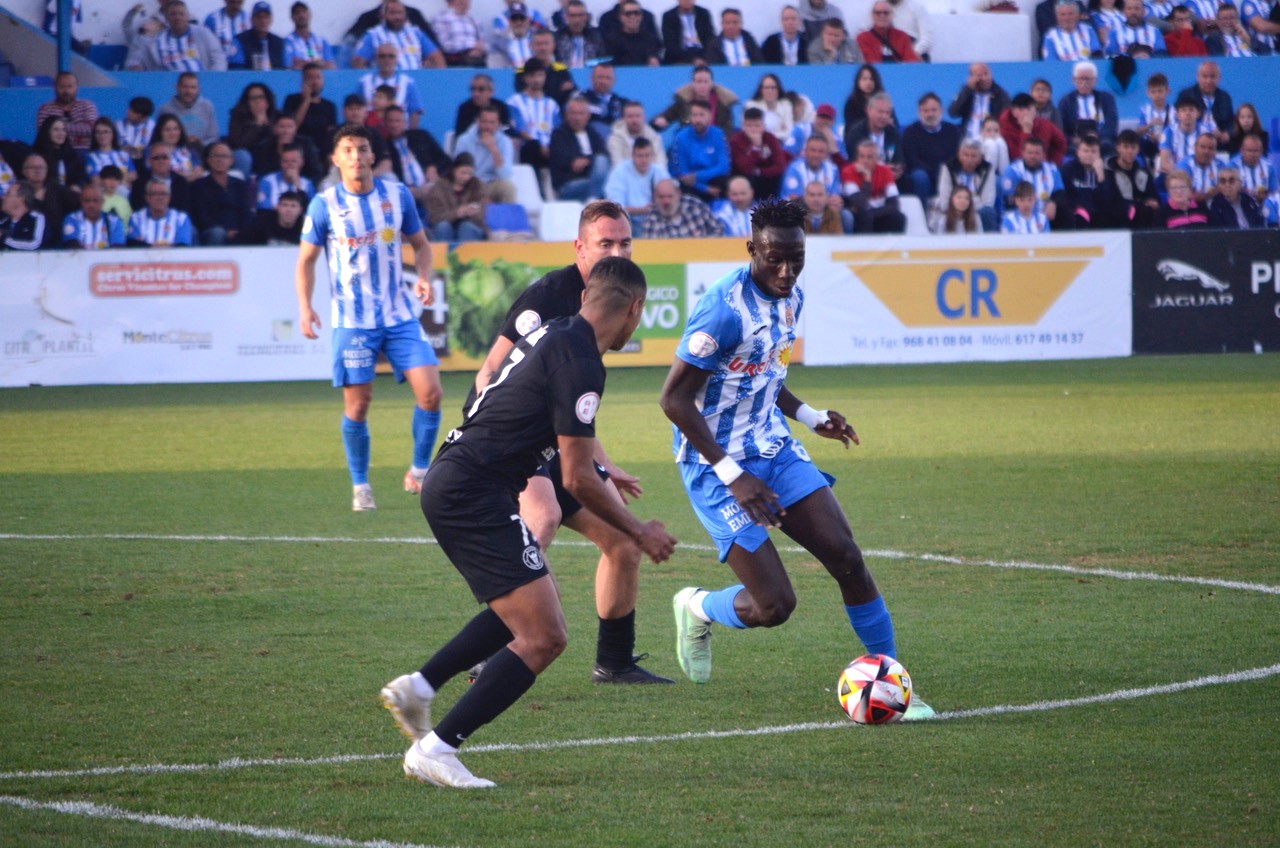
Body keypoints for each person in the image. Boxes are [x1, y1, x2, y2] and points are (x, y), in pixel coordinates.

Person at [383, 256, 675, 790]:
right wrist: (638, 531)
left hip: (462, 480)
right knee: (545, 635)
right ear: (635, 309)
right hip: (473, 491)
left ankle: (419, 689)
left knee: (530, 603)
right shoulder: (582, 361)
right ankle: (438, 749)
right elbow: (578, 479)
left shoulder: (557, 333)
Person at [660, 197, 933, 720]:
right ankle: (697, 606)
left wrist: (810, 416)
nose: (786, 272)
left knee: (847, 559)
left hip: (774, 446)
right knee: (774, 607)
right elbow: (673, 400)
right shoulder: (722, 311)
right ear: (751, 250)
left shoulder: (792, 298)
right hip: (715, 466)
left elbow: (766, 372)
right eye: (773, 259)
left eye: (796, 259)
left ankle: (895, 686)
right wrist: (732, 473)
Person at [455, 202, 673, 688]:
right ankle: (500, 649)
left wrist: (606, 464)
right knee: (544, 515)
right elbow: (490, 370)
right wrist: (483, 433)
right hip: (506, 439)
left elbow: (573, 407)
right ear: (579, 248)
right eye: (605, 244)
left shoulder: (612, 297)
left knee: (621, 538)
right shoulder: (550, 296)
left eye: (624, 243)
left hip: (555, 442)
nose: (617, 251)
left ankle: (614, 662)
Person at [295, 123, 442, 510]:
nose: (356, 157)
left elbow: (422, 246)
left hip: (399, 315)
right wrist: (305, 306)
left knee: (431, 392)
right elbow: (306, 261)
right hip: (353, 321)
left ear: (373, 155)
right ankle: (361, 485)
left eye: (362, 149)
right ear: (336, 158)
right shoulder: (324, 205)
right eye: (348, 150)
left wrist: (424, 277)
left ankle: (420, 471)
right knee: (358, 406)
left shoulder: (397, 195)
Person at [126, 0, 228, 71]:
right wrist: (144, 34)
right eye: (173, 14)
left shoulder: (202, 32)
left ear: (187, 16)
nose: (177, 17)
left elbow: (219, 58)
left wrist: (213, 78)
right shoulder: (153, 35)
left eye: (181, 14)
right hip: (165, 83)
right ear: (166, 18)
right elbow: (134, 57)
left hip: (198, 82)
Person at [384, 105, 451, 208]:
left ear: (405, 122)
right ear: (385, 123)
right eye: (390, 121)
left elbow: (446, 160)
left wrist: (434, 167)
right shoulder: (385, 147)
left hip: (430, 185)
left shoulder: (421, 136)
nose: (394, 125)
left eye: (397, 121)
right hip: (406, 192)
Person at [902, 92, 961, 201]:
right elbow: (912, 160)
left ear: (941, 111)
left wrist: (944, 173)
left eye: (934, 110)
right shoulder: (910, 132)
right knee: (919, 176)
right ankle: (921, 215)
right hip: (925, 175)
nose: (930, 114)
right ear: (919, 112)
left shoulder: (953, 131)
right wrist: (936, 172)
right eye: (926, 111)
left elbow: (956, 156)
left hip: (948, 173)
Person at [190, 141, 253, 245]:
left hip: (239, 231)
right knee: (217, 233)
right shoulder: (198, 186)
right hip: (212, 232)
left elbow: (246, 212)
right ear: (208, 160)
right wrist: (227, 232)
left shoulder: (239, 185)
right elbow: (201, 217)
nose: (220, 159)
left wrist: (241, 231)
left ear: (231, 161)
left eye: (224, 156)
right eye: (215, 155)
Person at [453, 105, 518, 204]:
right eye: (484, 121)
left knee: (508, 188)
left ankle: (508, 219)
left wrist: (493, 149)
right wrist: (476, 185)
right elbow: (458, 170)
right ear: (477, 122)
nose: (487, 126)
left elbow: (505, 175)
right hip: (469, 183)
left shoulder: (505, 142)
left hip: (492, 184)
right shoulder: (464, 140)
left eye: (492, 123)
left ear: (498, 124)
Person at [352, 0, 445, 69]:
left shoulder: (416, 33)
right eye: (392, 13)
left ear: (405, 15)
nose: (397, 17)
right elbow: (358, 62)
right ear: (383, 15)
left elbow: (437, 58)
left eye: (400, 13)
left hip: (416, 81)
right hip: (385, 86)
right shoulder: (373, 35)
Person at [549, 97, 610, 202]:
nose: (577, 118)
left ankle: (592, 199)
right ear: (567, 115)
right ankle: (594, 201)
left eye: (580, 113)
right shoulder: (559, 134)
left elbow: (603, 154)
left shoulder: (592, 133)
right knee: (602, 185)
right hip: (568, 184)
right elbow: (563, 160)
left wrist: (587, 161)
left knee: (602, 161)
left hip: (592, 179)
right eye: (573, 113)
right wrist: (588, 161)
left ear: (588, 116)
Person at [670, 100, 731, 202]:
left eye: (702, 115)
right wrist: (706, 189)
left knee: (727, 182)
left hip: (712, 179)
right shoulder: (681, 138)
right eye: (694, 115)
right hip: (694, 185)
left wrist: (697, 175)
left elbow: (724, 167)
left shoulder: (718, 134)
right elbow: (683, 174)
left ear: (710, 116)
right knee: (683, 186)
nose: (698, 119)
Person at [652, 65, 738, 136]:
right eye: (699, 81)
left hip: (715, 144)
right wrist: (658, 122)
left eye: (705, 82)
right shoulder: (683, 102)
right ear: (692, 84)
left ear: (712, 84)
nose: (702, 86)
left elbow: (728, 131)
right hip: (688, 144)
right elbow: (664, 117)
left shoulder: (723, 103)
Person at [841, 139, 906, 233]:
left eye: (869, 157)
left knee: (898, 217)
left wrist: (872, 212)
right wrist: (867, 179)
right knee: (865, 216)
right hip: (858, 216)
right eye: (862, 156)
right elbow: (861, 204)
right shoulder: (848, 172)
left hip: (877, 213)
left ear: (877, 158)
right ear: (857, 157)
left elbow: (894, 204)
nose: (865, 161)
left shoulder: (885, 171)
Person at [507, 58, 561, 171]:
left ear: (545, 77)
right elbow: (519, 129)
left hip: (550, 149)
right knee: (532, 147)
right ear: (525, 78)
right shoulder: (515, 102)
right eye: (532, 76)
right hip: (527, 148)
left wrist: (550, 147)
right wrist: (541, 147)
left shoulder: (552, 105)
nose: (536, 80)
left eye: (540, 75)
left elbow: (557, 130)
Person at [1099, 128, 1158, 228]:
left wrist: (1153, 201)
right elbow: (1112, 202)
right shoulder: (1108, 172)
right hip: (1118, 221)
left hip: (1143, 216)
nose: (1130, 151)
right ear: (1118, 148)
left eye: (1133, 147)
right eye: (1126, 147)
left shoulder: (1144, 171)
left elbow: (1153, 195)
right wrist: (1138, 204)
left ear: (1138, 149)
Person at [934, 138, 998, 231]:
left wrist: (963, 202)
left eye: (973, 156)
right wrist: (970, 200)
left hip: (978, 212)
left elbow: (988, 202)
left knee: (988, 212)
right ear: (959, 155)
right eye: (966, 155)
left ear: (980, 158)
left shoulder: (987, 169)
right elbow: (945, 202)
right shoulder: (948, 168)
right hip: (953, 210)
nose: (969, 159)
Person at [358, 43, 426, 129]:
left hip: (399, 134)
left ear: (397, 58)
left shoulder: (407, 82)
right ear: (376, 58)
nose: (386, 60)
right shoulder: (364, 82)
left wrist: (411, 135)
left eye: (391, 56)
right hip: (371, 134)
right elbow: (358, 109)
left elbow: (415, 112)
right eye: (382, 56)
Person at [604, 136, 669, 226]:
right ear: (632, 156)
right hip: (628, 222)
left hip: (657, 221)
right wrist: (641, 211)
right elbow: (615, 208)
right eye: (640, 156)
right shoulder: (619, 172)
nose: (644, 160)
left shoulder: (660, 172)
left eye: (647, 155)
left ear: (653, 155)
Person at [426, 152, 487, 242]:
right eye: (463, 173)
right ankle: (442, 255)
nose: (466, 177)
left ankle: (468, 255)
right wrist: (457, 213)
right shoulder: (438, 188)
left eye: (470, 174)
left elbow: (482, 214)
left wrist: (473, 212)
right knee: (443, 227)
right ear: (454, 170)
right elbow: (434, 217)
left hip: (470, 227)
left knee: (466, 227)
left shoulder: (478, 186)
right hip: (444, 227)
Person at [1058, 61, 1118, 153]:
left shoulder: (1106, 98)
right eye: (1081, 79)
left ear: (1095, 80)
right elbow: (1061, 129)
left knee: (1107, 146)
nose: (1084, 83)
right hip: (1076, 142)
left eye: (1088, 79)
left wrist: (1097, 137)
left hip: (1101, 140)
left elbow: (1111, 125)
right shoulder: (1066, 101)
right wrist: (1074, 140)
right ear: (1074, 80)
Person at [730, 107, 787, 201]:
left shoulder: (771, 138)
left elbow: (780, 166)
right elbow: (745, 169)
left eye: (757, 126)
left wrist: (759, 171)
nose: (753, 130)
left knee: (777, 178)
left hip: (767, 179)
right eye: (749, 126)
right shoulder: (736, 141)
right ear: (743, 126)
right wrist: (755, 148)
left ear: (763, 125)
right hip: (744, 178)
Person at [1001, 136, 1063, 221]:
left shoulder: (1052, 169)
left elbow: (1059, 192)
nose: (1033, 156)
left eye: (1037, 153)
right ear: (1023, 153)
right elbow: (1008, 199)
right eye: (1029, 153)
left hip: (1047, 214)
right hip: (1021, 214)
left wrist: (1053, 203)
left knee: (1065, 212)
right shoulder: (1014, 170)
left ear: (1043, 154)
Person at [638, 178, 725, 238]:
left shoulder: (694, 205)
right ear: (654, 197)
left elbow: (718, 228)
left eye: (670, 196)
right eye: (661, 197)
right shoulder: (651, 219)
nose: (666, 201)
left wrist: (705, 243)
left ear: (678, 194)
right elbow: (651, 249)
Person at [36, 72, 98, 153]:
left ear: (76, 88)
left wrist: (59, 128)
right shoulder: (45, 109)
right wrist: (81, 130)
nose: (66, 91)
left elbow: (92, 129)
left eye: (70, 86)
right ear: (55, 88)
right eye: (62, 87)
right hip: (55, 152)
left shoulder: (87, 105)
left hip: (85, 152)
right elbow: (45, 133)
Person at [948, 62, 1011, 141]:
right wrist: (967, 89)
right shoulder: (966, 92)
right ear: (972, 77)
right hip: (968, 141)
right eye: (979, 75)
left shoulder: (999, 93)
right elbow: (952, 112)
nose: (984, 78)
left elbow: (1007, 115)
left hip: (991, 140)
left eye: (986, 74)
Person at [999, 93, 1067, 165]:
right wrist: (1026, 132)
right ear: (1014, 112)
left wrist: (1052, 164)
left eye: (1031, 109)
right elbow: (1022, 160)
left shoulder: (1044, 124)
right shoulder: (1005, 129)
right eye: (1022, 109)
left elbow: (1061, 144)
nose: (1027, 113)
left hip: (1043, 168)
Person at [1176, 60, 1234, 145]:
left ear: (1219, 78)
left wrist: (1227, 133)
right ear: (1198, 77)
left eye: (1213, 76)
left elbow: (1230, 122)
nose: (1208, 81)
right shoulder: (1186, 95)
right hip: (1192, 139)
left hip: (1218, 141)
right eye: (1205, 76)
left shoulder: (1225, 97)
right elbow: (1177, 119)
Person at [159, 72, 221, 149]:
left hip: (202, 152)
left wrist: (199, 144)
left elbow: (213, 137)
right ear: (177, 87)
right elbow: (161, 138)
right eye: (185, 87)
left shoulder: (207, 107)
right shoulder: (165, 109)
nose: (189, 91)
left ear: (198, 89)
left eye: (193, 87)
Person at [127, 178, 195, 246]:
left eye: (163, 194)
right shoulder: (136, 218)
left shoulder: (181, 219)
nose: (159, 198)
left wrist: (150, 246)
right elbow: (133, 245)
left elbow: (183, 246)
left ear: (169, 197)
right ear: (147, 197)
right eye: (155, 194)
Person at [1057, 133, 1105, 227]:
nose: (1089, 155)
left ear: (1099, 154)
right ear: (1078, 152)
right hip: (1076, 213)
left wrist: (1101, 176)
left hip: (1099, 214)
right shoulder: (1067, 170)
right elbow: (1063, 196)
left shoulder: (1105, 172)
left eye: (1093, 151)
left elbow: (1107, 200)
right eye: (1086, 151)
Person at [129, 143, 191, 214]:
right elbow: (138, 210)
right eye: (156, 158)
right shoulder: (138, 184)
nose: (160, 161)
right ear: (149, 161)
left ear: (170, 160)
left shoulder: (181, 182)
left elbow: (184, 210)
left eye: (164, 157)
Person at [61, 182, 126, 249]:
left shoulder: (114, 221)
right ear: (81, 202)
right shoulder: (71, 219)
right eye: (87, 201)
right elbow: (72, 247)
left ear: (102, 202)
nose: (91, 205)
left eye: (95, 201)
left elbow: (117, 250)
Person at [607, 100, 667, 170]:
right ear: (623, 118)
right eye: (630, 116)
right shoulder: (615, 138)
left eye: (638, 116)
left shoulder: (653, 136)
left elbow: (661, 162)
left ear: (644, 117)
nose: (634, 120)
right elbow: (618, 165)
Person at [857, 1, 923, 63]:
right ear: (872, 15)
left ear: (892, 15)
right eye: (878, 13)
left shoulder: (902, 36)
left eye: (886, 13)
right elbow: (870, 64)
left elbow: (911, 62)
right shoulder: (863, 38)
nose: (882, 16)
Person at [602, 0, 664, 65]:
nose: (633, 16)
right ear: (621, 17)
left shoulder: (650, 39)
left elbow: (656, 56)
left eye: (636, 13)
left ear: (641, 16)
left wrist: (654, 59)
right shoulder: (611, 41)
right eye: (628, 14)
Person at [256, 144, 315, 211]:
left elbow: (311, 210)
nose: (289, 165)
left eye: (293, 161)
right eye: (285, 161)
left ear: (302, 162)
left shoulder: (308, 185)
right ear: (280, 163)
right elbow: (262, 206)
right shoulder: (267, 181)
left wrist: (298, 185)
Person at [32, 116, 86, 189]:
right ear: (47, 132)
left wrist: (77, 186)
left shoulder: (72, 154)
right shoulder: (37, 155)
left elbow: (81, 177)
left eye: (63, 130)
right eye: (56, 130)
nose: (61, 133)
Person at [237, 188, 306, 244]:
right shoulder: (262, 222)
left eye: (293, 206)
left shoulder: (306, 228)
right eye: (284, 205)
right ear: (277, 208)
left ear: (300, 210)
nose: (288, 210)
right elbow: (240, 243)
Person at [233, 1, 288, 69]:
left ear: (271, 20)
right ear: (252, 19)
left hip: (275, 78)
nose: (263, 21)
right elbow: (236, 69)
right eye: (259, 17)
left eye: (266, 17)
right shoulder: (240, 40)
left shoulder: (279, 42)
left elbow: (285, 67)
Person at [431, 0, 487, 66]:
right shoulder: (440, 19)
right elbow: (444, 45)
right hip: (455, 64)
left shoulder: (474, 21)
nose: (464, 1)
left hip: (477, 62)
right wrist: (471, 45)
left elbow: (485, 44)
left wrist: (479, 50)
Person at [579, 64, 627, 138]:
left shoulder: (622, 103)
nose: (604, 81)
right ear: (592, 79)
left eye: (608, 78)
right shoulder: (580, 99)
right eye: (600, 77)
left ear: (614, 81)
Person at [555, 0, 608, 67]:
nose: (577, 20)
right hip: (562, 75)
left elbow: (603, 60)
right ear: (566, 17)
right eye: (573, 16)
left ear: (586, 17)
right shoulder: (558, 38)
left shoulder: (596, 37)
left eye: (580, 15)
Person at [284, 2, 336, 68]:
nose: (301, 15)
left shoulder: (321, 40)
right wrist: (317, 63)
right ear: (292, 17)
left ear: (310, 15)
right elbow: (290, 66)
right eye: (297, 13)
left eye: (304, 12)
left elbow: (331, 65)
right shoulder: (287, 41)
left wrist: (304, 63)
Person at [1175, 132, 1222, 203]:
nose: (1206, 151)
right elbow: (1184, 194)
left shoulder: (1221, 166)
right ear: (1195, 148)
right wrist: (1210, 195)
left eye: (1211, 148)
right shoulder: (1184, 165)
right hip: (1190, 208)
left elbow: (1226, 190)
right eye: (1202, 147)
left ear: (1215, 151)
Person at [0, 182, 47, 251]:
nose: (2, 197)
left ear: (21, 199)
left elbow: (35, 244)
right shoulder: (3, 222)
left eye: (7, 194)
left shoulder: (36, 219)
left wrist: (4, 239)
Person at [1231, 133, 1276, 204]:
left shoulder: (1269, 167)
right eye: (1249, 150)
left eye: (1256, 151)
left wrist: (1264, 197)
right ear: (1242, 150)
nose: (1252, 154)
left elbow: (1274, 192)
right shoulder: (1232, 166)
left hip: (1264, 206)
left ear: (1261, 151)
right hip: (1240, 206)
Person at [204, 0, 250, 67]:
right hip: (219, 70)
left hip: (245, 70)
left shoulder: (249, 20)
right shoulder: (212, 20)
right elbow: (205, 50)